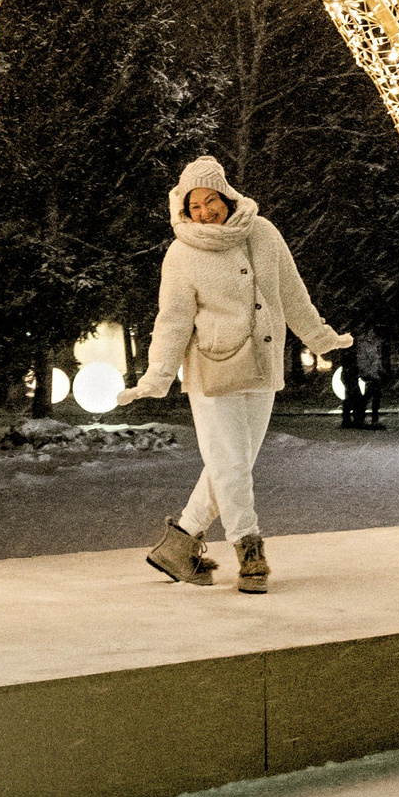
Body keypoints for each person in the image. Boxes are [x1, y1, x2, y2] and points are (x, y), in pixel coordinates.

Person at [119, 156, 349, 593]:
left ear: (226, 196)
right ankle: (249, 551)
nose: (205, 211)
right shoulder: (181, 253)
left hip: (262, 366)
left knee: (234, 465)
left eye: (211, 200)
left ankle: (178, 545)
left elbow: (292, 293)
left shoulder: (263, 233)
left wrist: (320, 338)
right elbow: (172, 320)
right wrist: (157, 375)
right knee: (230, 466)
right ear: (183, 210)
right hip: (212, 368)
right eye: (194, 205)